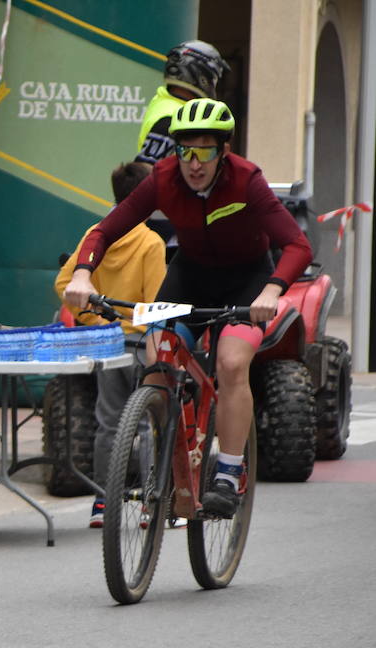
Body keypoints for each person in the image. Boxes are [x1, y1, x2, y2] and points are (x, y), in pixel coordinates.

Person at [61, 99, 312, 520]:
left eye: (205, 151)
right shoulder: (162, 179)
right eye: (185, 151)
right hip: (190, 277)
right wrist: (83, 274)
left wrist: (272, 290)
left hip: (247, 282)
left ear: (223, 151)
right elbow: (106, 230)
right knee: (156, 358)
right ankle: (175, 454)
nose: (194, 163)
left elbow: (297, 246)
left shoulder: (247, 181)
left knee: (232, 364)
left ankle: (228, 475)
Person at [54, 161, 166, 528]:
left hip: (106, 343)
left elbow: (64, 285)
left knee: (108, 424)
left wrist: (93, 319)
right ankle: (150, 501)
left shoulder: (96, 234)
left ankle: (103, 503)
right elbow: (156, 302)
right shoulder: (151, 242)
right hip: (139, 344)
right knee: (147, 422)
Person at [135, 40, 228, 165]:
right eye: (214, 79)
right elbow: (147, 170)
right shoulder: (172, 118)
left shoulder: (164, 101)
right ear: (202, 76)